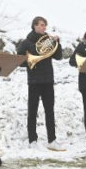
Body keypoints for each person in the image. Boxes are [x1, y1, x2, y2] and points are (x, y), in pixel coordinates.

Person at [16, 16, 65, 151]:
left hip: (48, 80)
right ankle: (32, 140)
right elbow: (19, 60)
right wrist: (31, 62)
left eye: (45, 25)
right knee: (32, 111)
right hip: (34, 80)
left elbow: (58, 56)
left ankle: (52, 140)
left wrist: (57, 43)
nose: (44, 27)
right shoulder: (26, 42)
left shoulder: (48, 41)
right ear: (35, 26)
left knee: (50, 111)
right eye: (42, 25)